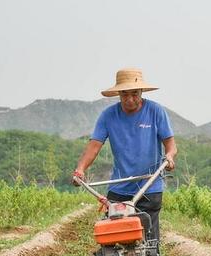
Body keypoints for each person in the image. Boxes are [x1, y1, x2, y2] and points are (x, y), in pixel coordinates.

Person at [73, 68, 177, 243]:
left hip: (149, 185)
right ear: (119, 94)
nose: (129, 99)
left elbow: (171, 145)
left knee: (150, 239)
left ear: (141, 92)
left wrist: (169, 156)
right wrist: (80, 169)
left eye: (134, 94)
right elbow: (94, 146)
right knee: (115, 237)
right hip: (119, 187)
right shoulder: (108, 116)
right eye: (124, 95)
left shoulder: (155, 112)